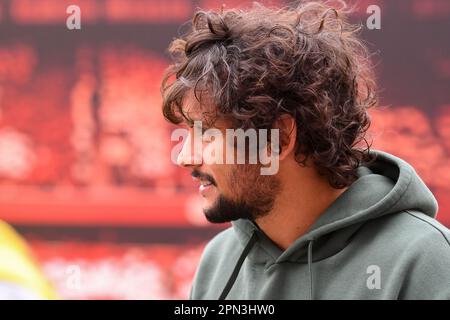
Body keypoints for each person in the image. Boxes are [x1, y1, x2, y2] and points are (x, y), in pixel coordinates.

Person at [161, 1, 450, 299]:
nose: (184, 157)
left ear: (279, 138)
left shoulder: (426, 261)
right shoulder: (219, 261)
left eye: (206, 134)